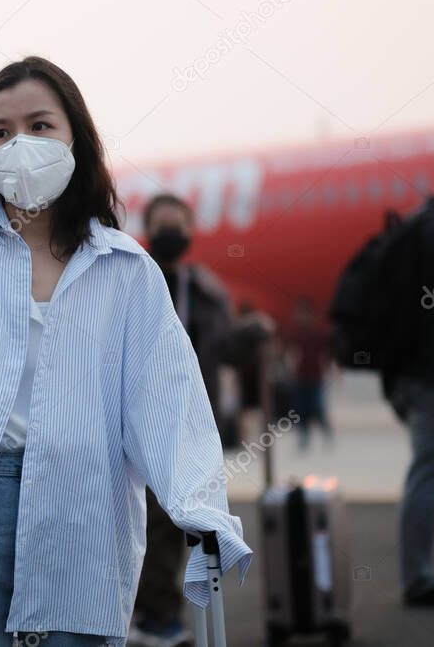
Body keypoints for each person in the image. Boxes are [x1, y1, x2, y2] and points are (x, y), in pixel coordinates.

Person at [0, 57, 253, 646]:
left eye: (40, 126)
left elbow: (167, 400)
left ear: (75, 139)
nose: (20, 145)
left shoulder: (126, 270)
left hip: (86, 514)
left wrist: (202, 510)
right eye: (0, 133)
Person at [129, 193, 271, 647]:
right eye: (162, 223)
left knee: (180, 521)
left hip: (188, 424)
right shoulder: (133, 278)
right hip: (138, 419)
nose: (172, 231)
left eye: (178, 223)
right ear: (149, 230)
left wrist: (252, 335)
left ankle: (159, 613)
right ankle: (149, 614)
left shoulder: (205, 291)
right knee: (145, 522)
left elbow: (223, 349)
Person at [386, 170, 434, 607]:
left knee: (427, 469)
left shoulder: (412, 227)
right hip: (432, 377)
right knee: (427, 472)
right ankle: (417, 577)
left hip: (413, 377)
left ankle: (418, 574)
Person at [284, 297, 333, 451]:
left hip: (316, 377)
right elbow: (290, 354)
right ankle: (303, 438)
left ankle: (327, 434)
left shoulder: (318, 334)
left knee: (318, 407)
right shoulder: (295, 334)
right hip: (300, 378)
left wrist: (330, 372)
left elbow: (327, 355)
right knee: (301, 410)